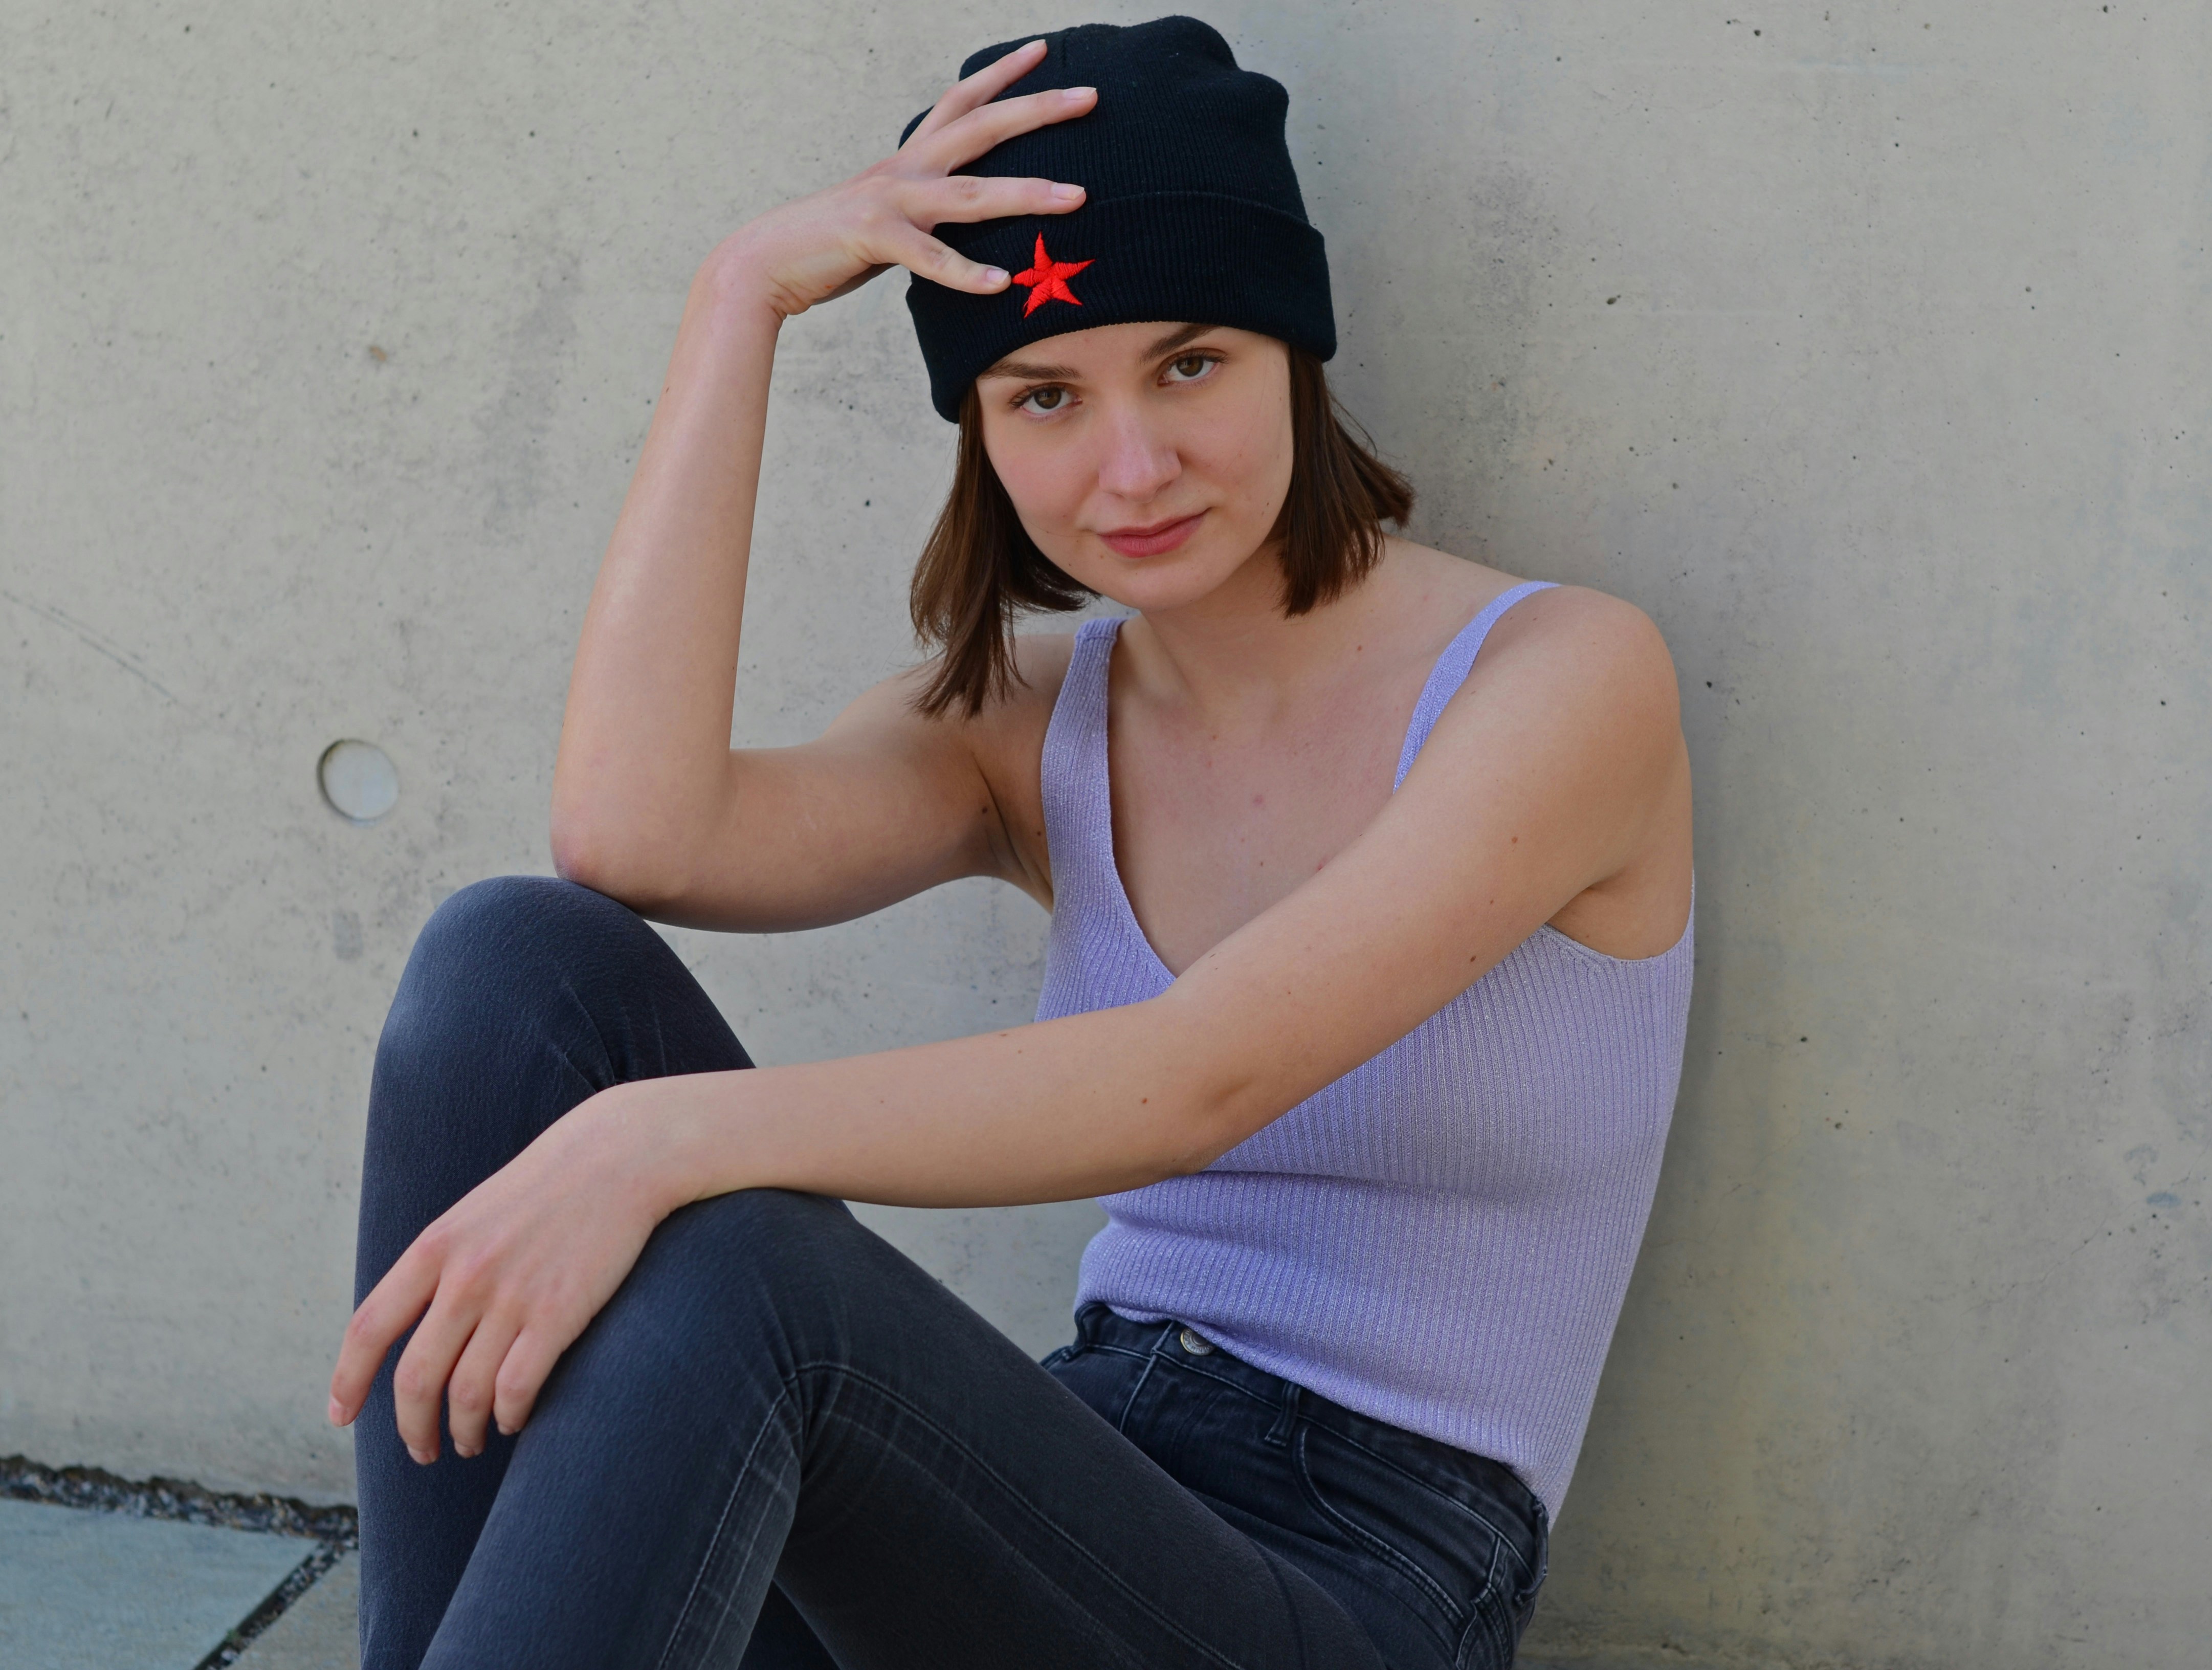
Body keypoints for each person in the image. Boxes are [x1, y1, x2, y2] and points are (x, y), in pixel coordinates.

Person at [328, 17, 1694, 1669]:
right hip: (1045, 1504)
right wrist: (738, 299)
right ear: (980, 430)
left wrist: (663, 1144)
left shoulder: (1563, 682)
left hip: (1354, 1583)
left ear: (1294, 354)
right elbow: (632, 837)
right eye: (1045, 394)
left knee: (750, 1270)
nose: (1133, 464)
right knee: (514, 966)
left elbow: (1202, 1074)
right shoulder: (1029, 722)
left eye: (1192, 363)